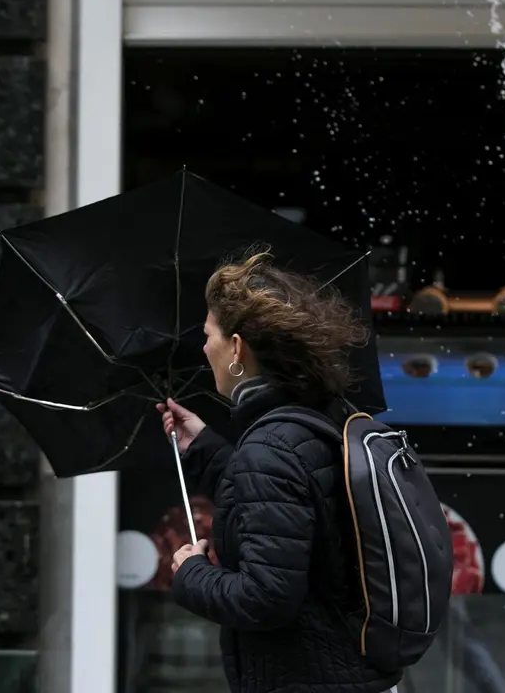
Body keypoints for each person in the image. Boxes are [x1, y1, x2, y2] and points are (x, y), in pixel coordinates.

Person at [157, 249, 401, 693]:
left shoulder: (270, 447)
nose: (203, 346)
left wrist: (191, 572)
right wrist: (206, 448)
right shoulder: (320, 418)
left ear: (236, 348)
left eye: (208, 334)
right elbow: (297, 508)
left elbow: (266, 600)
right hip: (353, 674)